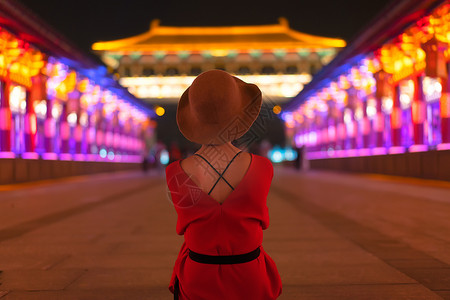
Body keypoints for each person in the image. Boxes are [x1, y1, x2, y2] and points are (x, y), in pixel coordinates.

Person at [165, 70, 282, 300]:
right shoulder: (263, 167)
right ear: (238, 115)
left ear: (195, 115)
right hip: (249, 275)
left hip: (198, 277)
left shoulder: (174, 173)